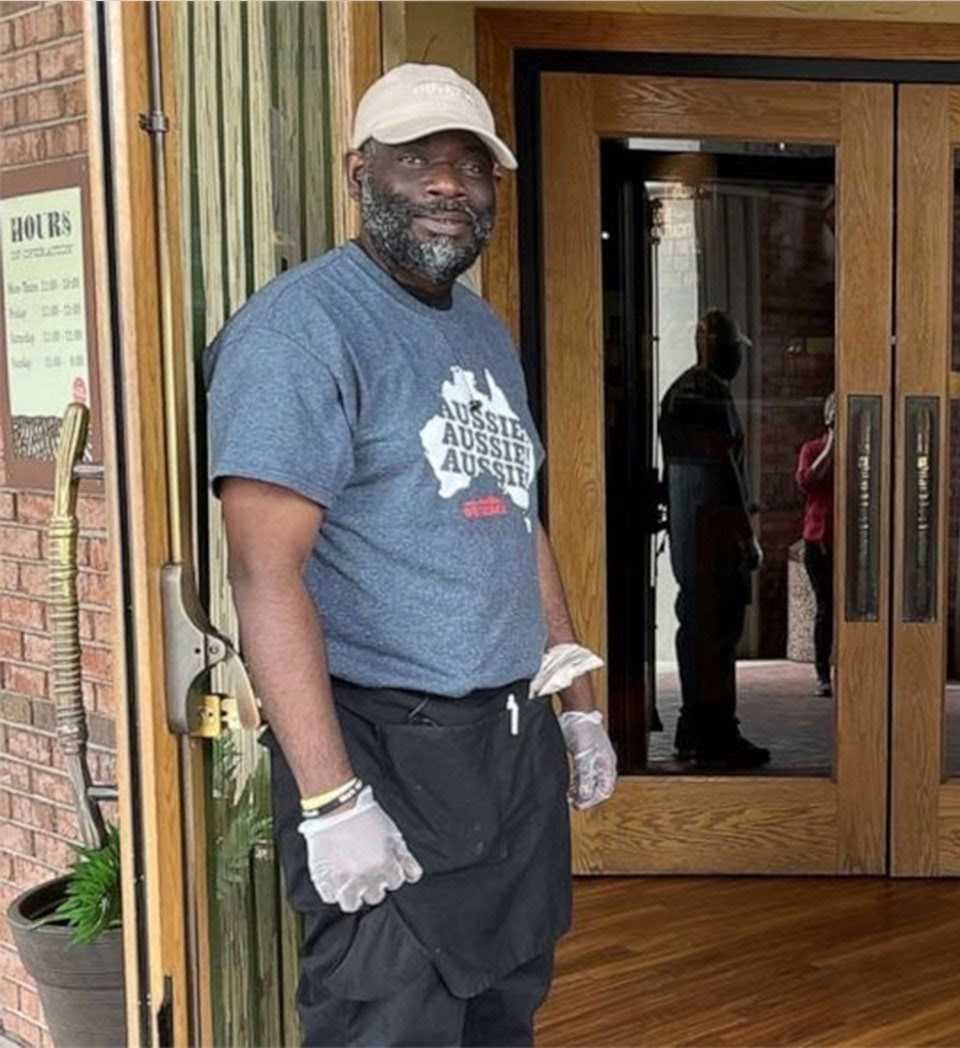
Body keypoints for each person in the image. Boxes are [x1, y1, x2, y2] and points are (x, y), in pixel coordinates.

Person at [205, 63, 617, 1046]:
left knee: (503, 1011)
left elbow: (515, 518)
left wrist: (576, 703)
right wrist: (331, 797)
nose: (447, 185)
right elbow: (265, 573)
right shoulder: (301, 332)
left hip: (505, 758)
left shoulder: (481, 330)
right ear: (359, 171)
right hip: (379, 750)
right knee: (389, 1026)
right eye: (417, 160)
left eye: (470, 167)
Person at [658, 310, 771, 769]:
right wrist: (744, 535)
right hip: (711, 535)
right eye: (734, 348)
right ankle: (714, 731)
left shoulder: (683, 391)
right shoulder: (704, 394)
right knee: (715, 633)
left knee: (704, 630)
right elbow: (720, 473)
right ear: (716, 347)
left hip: (696, 533)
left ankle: (702, 727)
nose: (738, 359)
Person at [796, 395, 835, 697]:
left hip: (850, 542)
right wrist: (832, 444)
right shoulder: (812, 449)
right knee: (825, 607)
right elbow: (808, 481)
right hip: (818, 540)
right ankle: (823, 672)